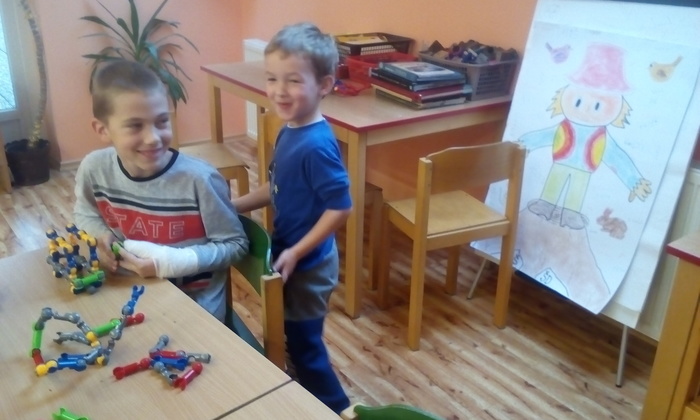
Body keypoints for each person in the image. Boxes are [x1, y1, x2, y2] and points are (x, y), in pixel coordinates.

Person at [232, 22, 351, 413]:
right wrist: (237, 206)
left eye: (294, 80)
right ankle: (302, 400)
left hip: (310, 265)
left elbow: (341, 207)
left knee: (306, 346)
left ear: (325, 85)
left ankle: (338, 409)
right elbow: (276, 187)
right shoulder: (289, 130)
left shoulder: (316, 145)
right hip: (289, 253)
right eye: (272, 78)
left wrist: (298, 251)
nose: (279, 90)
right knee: (293, 339)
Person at [73, 59, 248, 322]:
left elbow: (235, 245)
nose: (153, 137)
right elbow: (85, 213)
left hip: (195, 310)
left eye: (162, 121)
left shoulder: (200, 180)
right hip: (126, 295)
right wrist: (100, 235)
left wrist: (169, 262)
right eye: (135, 126)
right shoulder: (94, 169)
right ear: (102, 129)